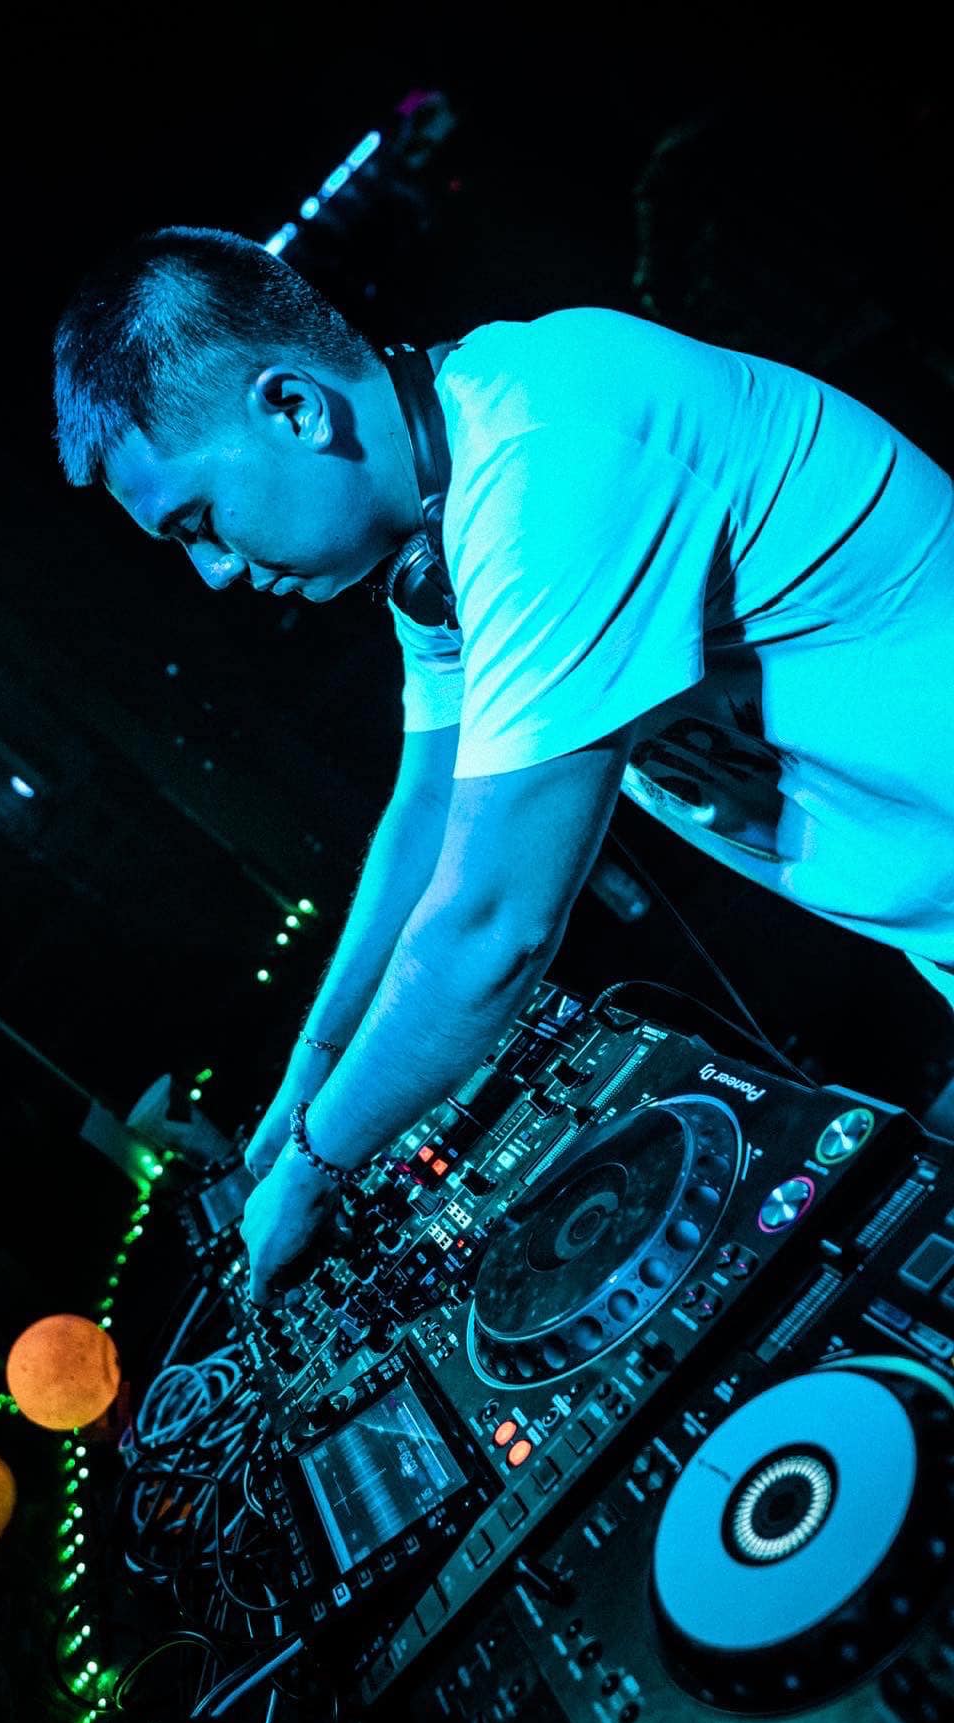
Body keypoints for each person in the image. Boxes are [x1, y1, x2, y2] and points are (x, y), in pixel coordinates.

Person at [51, 226, 954, 1304]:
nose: (213, 573)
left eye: (199, 522)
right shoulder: (444, 519)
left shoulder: (548, 452)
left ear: (293, 406)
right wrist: (302, 1088)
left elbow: (492, 925)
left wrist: (313, 1168)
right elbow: (428, 814)